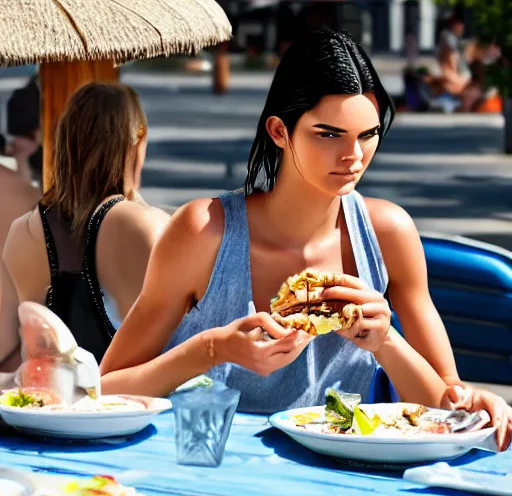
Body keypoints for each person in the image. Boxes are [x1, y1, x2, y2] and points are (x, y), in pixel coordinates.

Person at [100, 30, 511, 450]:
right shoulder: (203, 230)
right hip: (202, 466)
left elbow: (446, 407)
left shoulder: (389, 234)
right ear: (279, 131)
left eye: (367, 135)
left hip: (338, 478)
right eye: (329, 134)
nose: (353, 156)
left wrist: (386, 340)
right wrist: (212, 348)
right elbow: (106, 390)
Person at [0, 82, 170, 376]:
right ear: (137, 140)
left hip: (51, 403)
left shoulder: (24, 232)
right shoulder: (144, 224)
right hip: (128, 406)